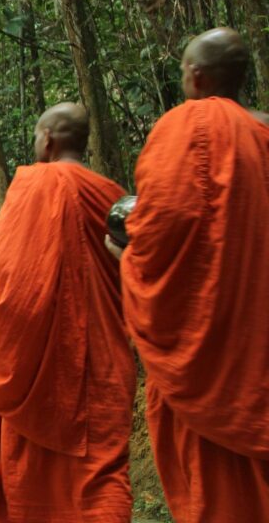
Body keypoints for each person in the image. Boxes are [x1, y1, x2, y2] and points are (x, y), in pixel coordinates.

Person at [109, 27, 269, 522]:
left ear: (196, 76)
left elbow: (158, 235)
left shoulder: (186, 129)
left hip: (205, 348)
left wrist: (125, 260)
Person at [0, 104, 135, 522]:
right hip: (104, 363)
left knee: (29, 475)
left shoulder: (33, 187)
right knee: (103, 473)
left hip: (40, 368)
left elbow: (12, 288)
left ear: (48, 139)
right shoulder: (111, 194)